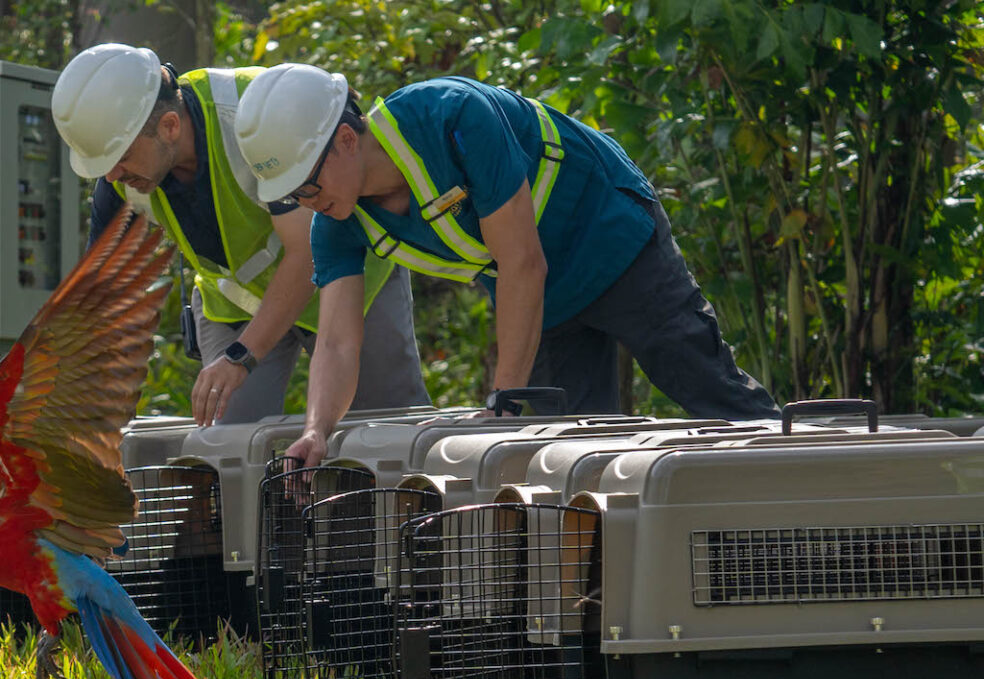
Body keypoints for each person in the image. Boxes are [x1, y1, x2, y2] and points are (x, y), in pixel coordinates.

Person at [232, 64, 779, 468]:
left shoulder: (451, 116)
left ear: (347, 140)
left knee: (706, 387)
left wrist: (504, 400)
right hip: (542, 303)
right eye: (293, 196)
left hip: (611, 238)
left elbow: (522, 262)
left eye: (307, 185)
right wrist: (317, 432)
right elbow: (335, 343)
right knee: (570, 453)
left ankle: (806, 509)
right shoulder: (335, 222)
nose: (306, 203)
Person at [51, 44, 429, 427]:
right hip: (237, 306)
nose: (112, 175)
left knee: (386, 431)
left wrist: (241, 357)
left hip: (345, 280)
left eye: (120, 158)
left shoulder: (257, 114)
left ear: (169, 126)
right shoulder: (120, 175)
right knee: (228, 444)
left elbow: (308, 253)